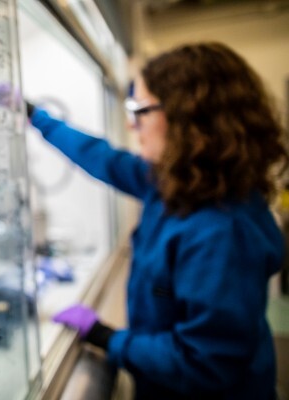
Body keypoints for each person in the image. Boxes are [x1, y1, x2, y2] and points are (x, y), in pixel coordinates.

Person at [30, 42, 289, 399]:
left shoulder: (222, 231)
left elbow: (205, 363)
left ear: (187, 117)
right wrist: (34, 116)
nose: (130, 123)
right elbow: (104, 159)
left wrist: (107, 337)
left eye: (139, 109)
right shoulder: (180, 181)